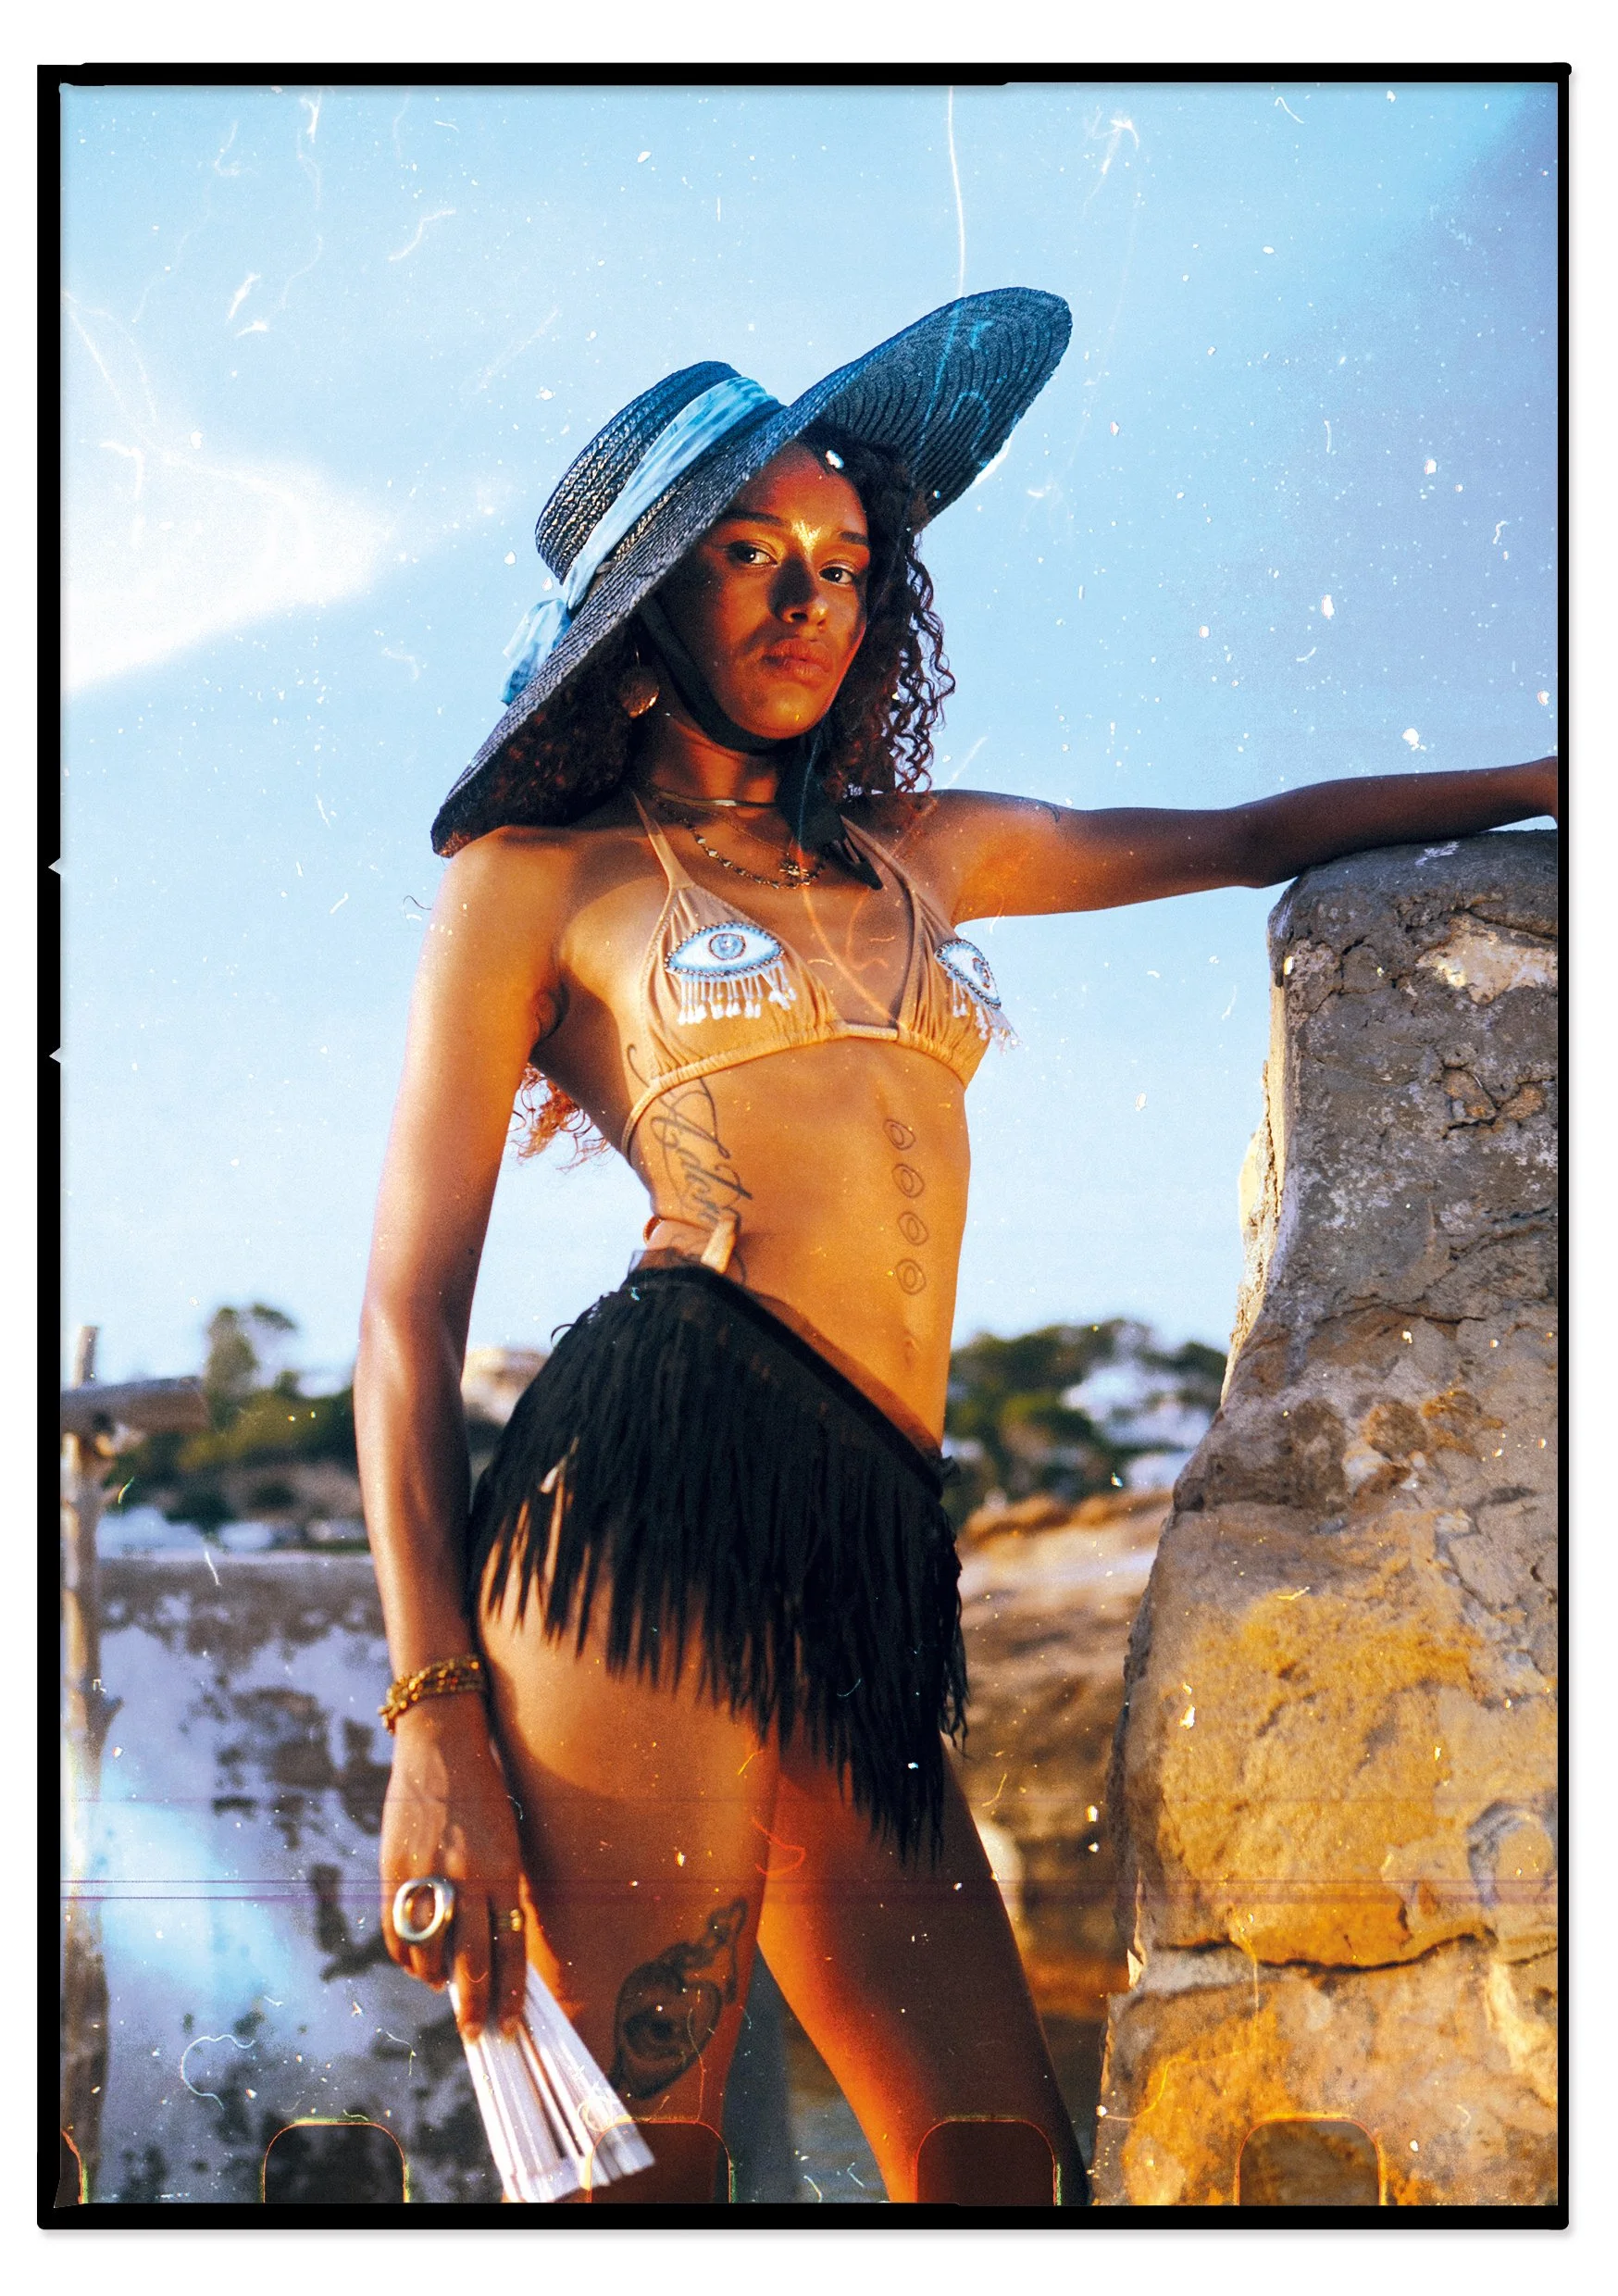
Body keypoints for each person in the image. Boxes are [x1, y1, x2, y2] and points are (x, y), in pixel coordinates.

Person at [355, 291, 1557, 2206]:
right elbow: (408, 1316)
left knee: (1003, 2177)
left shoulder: (922, 853)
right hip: (655, 1488)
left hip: (874, 1534)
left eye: (843, 563)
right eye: (748, 556)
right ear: (643, 618)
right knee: (639, 2181)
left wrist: (1556, 778)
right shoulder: (537, 879)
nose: (807, 599)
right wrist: (432, 1724)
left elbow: (1253, 828)